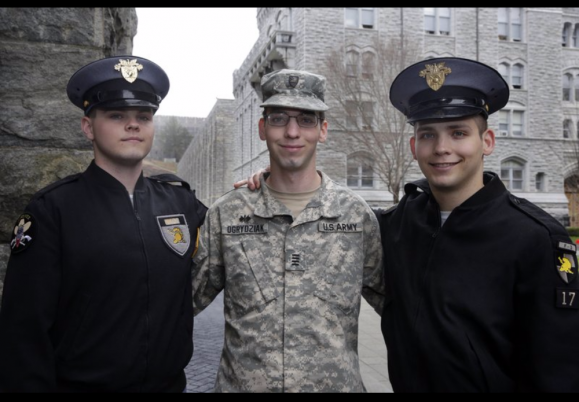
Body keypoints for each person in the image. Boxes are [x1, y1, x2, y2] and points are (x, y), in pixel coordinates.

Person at [237, 57, 579, 392]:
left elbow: (557, 371)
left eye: (458, 132)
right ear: (414, 146)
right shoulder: (393, 226)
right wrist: (276, 181)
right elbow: (330, 218)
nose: (442, 148)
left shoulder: (536, 238)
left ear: (486, 142)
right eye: (428, 135)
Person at [0, 55, 207, 392]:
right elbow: (23, 333)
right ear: (88, 127)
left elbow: (237, 229)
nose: (133, 125)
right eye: (116, 115)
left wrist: (264, 183)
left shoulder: (181, 203)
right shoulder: (52, 211)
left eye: (144, 116)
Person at [192, 69, 385, 392]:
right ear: (262, 128)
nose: (292, 132)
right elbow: (176, 304)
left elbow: (401, 310)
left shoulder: (356, 216)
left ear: (323, 131)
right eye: (279, 118)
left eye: (306, 120)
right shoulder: (228, 215)